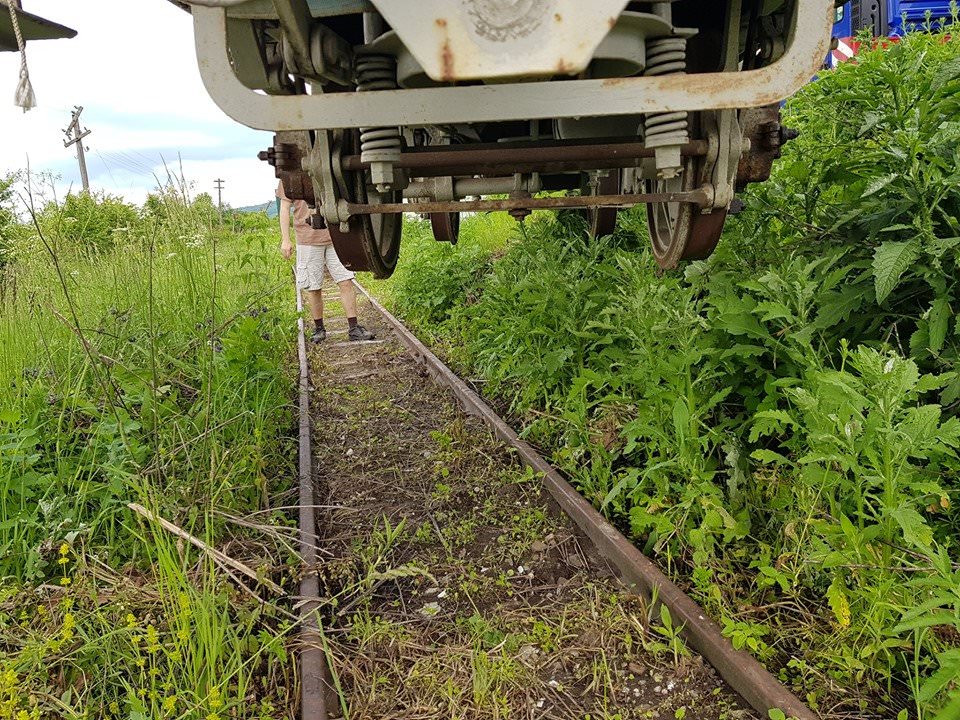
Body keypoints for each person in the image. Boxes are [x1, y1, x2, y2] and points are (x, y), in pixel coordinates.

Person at [277, 182, 375, 343]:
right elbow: (284, 207)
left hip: (336, 236)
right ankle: (319, 329)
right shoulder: (288, 173)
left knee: (346, 281)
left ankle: (354, 327)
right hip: (307, 238)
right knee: (313, 286)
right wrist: (286, 240)